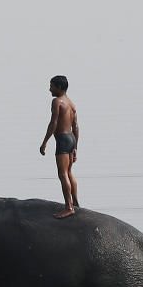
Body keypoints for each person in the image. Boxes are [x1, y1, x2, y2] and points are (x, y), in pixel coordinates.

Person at [39, 75, 79, 218]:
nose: (50, 89)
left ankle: (69, 207)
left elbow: (53, 123)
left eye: (52, 86)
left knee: (62, 174)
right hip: (71, 138)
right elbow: (76, 126)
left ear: (59, 87)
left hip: (62, 139)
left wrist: (45, 142)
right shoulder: (71, 103)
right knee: (69, 172)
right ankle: (75, 202)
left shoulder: (57, 102)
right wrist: (75, 147)